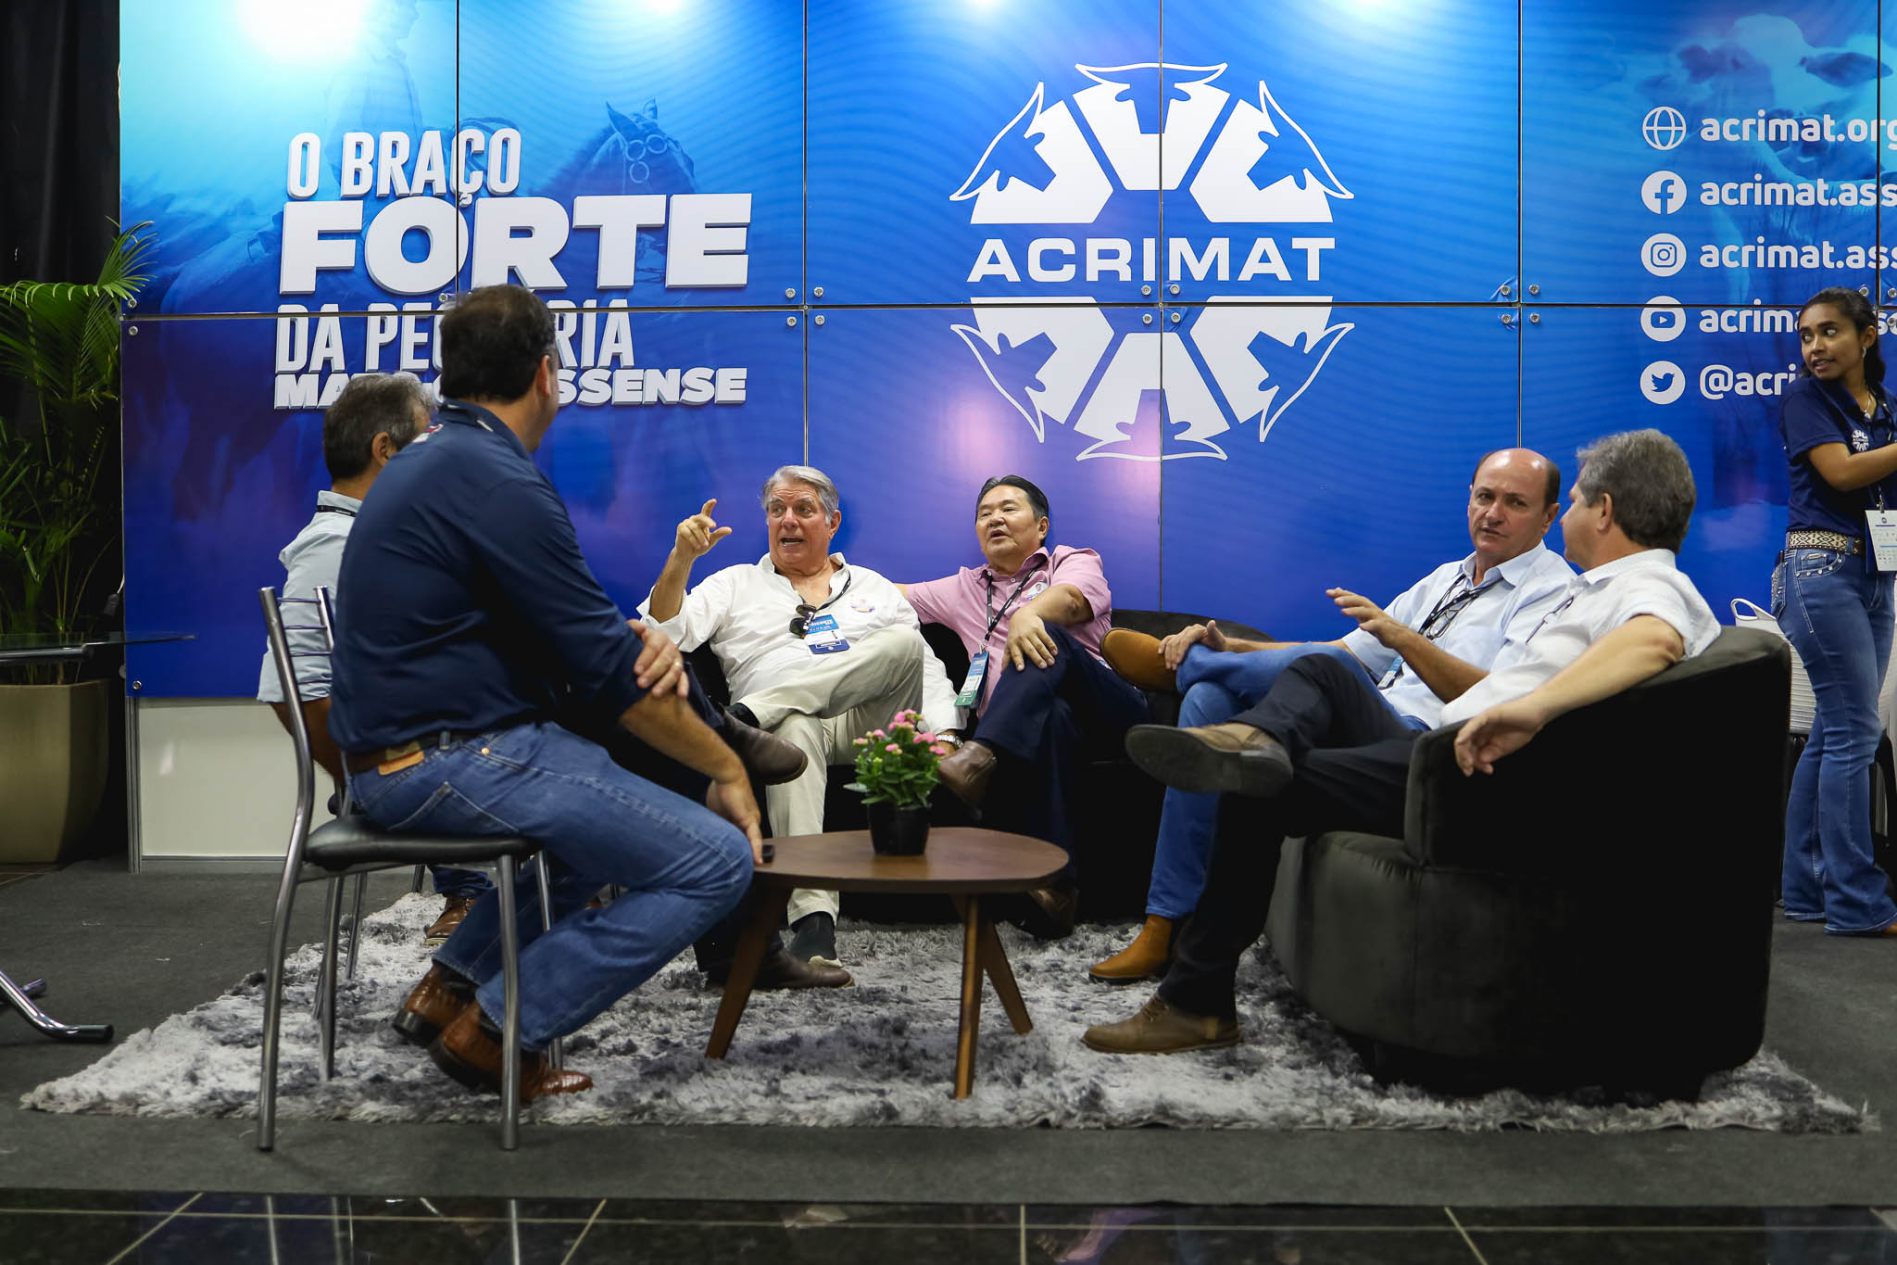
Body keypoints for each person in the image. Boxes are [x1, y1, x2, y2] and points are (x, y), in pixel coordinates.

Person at [1084, 429, 1720, 1053]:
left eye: (1573, 501)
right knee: (1259, 769)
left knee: (1314, 688)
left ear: (1602, 511)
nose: (1499, 513)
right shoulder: (1593, 587)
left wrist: (1532, 708)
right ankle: (1194, 994)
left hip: (1469, 774)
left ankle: (1196, 988)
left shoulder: (1648, 584)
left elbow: (1655, 639)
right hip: (1445, 757)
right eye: (1484, 496)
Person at [330, 285, 806, 1103]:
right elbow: (604, 673)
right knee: (712, 859)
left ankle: (448, 986)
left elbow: (564, 637)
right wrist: (725, 768)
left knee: (612, 822)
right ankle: (500, 1029)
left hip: (402, 757)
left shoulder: (435, 461)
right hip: (446, 761)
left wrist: (638, 643)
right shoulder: (495, 480)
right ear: (547, 374)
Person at [1088, 450, 1574, 980]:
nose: (1493, 514)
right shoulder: (1446, 578)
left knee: (1318, 671)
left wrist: (1404, 639)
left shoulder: (1550, 590)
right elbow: (1344, 651)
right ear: (1469, 499)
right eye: (1484, 497)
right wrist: (1233, 649)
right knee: (1211, 699)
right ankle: (1165, 921)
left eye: (1515, 503)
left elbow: (1501, 698)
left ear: (1548, 517)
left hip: (1425, 745)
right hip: (1367, 718)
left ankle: (1181, 670)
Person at [640, 467, 960, 968]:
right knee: (794, 725)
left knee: (902, 644)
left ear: (832, 523)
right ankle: (814, 922)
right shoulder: (735, 583)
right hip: (784, 735)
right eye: (777, 510)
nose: (787, 520)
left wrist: (945, 736)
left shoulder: (873, 586)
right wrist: (681, 558)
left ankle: (743, 717)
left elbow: (925, 666)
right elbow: (662, 630)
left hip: (869, 728)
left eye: (803, 509)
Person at [255, 372, 495, 945]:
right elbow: (294, 688)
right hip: (394, 765)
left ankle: (518, 907)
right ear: (385, 450)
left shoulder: (371, 536)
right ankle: (496, 909)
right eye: (425, 441)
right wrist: (357, 775)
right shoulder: (340, 547)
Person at [906, 475, 1148, 937]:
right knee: (1050, 716)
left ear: (1041, 526)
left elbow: (1073, 600)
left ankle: (979, 757)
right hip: (1043, 727)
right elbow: (887, 595)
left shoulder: (1071, 561)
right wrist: (822, 572)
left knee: (1045, 635)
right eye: (984, 513)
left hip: (1108, 711)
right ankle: (1056, 891)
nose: (994, 518)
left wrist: (1027, 614)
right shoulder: (963, 588)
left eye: (1008, 508)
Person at [1775, 286, 1897, 937]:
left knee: (1833, 732)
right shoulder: (1804, 398)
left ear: (1866, 336)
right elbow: (1843, 474)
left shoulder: (1886, 408)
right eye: (1805, 335)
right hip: (1819, 570)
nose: (1814, 347)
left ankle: (1803, 888)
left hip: (1877, 573)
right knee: (1855, 732)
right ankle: (1856, 900)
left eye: (1828, 332)